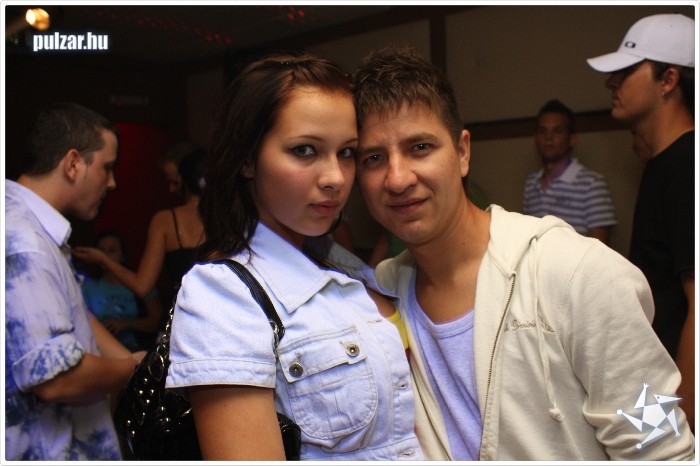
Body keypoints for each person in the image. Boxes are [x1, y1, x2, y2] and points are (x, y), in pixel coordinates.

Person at [352, 45, 694, 460]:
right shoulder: (379, 297)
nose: (397, 178)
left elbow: (659, 442)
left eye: (420, 147)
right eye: (374, 158)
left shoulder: (576, 273)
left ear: (462, 152)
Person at [164, 52, 422, 461]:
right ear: (247, 159)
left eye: (347, 152)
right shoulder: (221, 294)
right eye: (304, 150)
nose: (335, 178)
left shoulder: (349, 267)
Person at [5, 102, 144, 460]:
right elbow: (57, 379)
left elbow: (74, 312)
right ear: (73, 164)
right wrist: (129, 367)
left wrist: (142, 366)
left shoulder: (33, 227)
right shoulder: (26, 243)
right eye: (107, 167)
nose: (112, 182)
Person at [587, 12, 695, 433]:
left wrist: (679, 426)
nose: (611, 83)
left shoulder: (687, 165)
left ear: (668, 80)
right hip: (661, 377)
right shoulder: (663, 162)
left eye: (626, 71)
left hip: (679, 398)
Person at [73, 144, 206, 323]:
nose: (171, 189)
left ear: (186, 179)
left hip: (186, 321)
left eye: (174, 181)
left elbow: (142, 286)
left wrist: (102, 259)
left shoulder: (166, 221)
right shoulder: (231, 218)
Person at [522, 99, 617, 245]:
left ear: (572, 139)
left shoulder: (592, 184)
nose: (548, 137)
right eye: (542, 131)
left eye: (557, 131)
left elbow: (600, 249)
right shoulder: (531, 182)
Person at [80, 229, 162, 351]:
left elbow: (156, 321)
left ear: (123, 256)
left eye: (111, 250)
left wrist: (125, 324)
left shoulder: (140, 284)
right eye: (101, 251)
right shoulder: (87, 287)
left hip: (137, 350)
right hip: (101, 351)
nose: (105, 256)